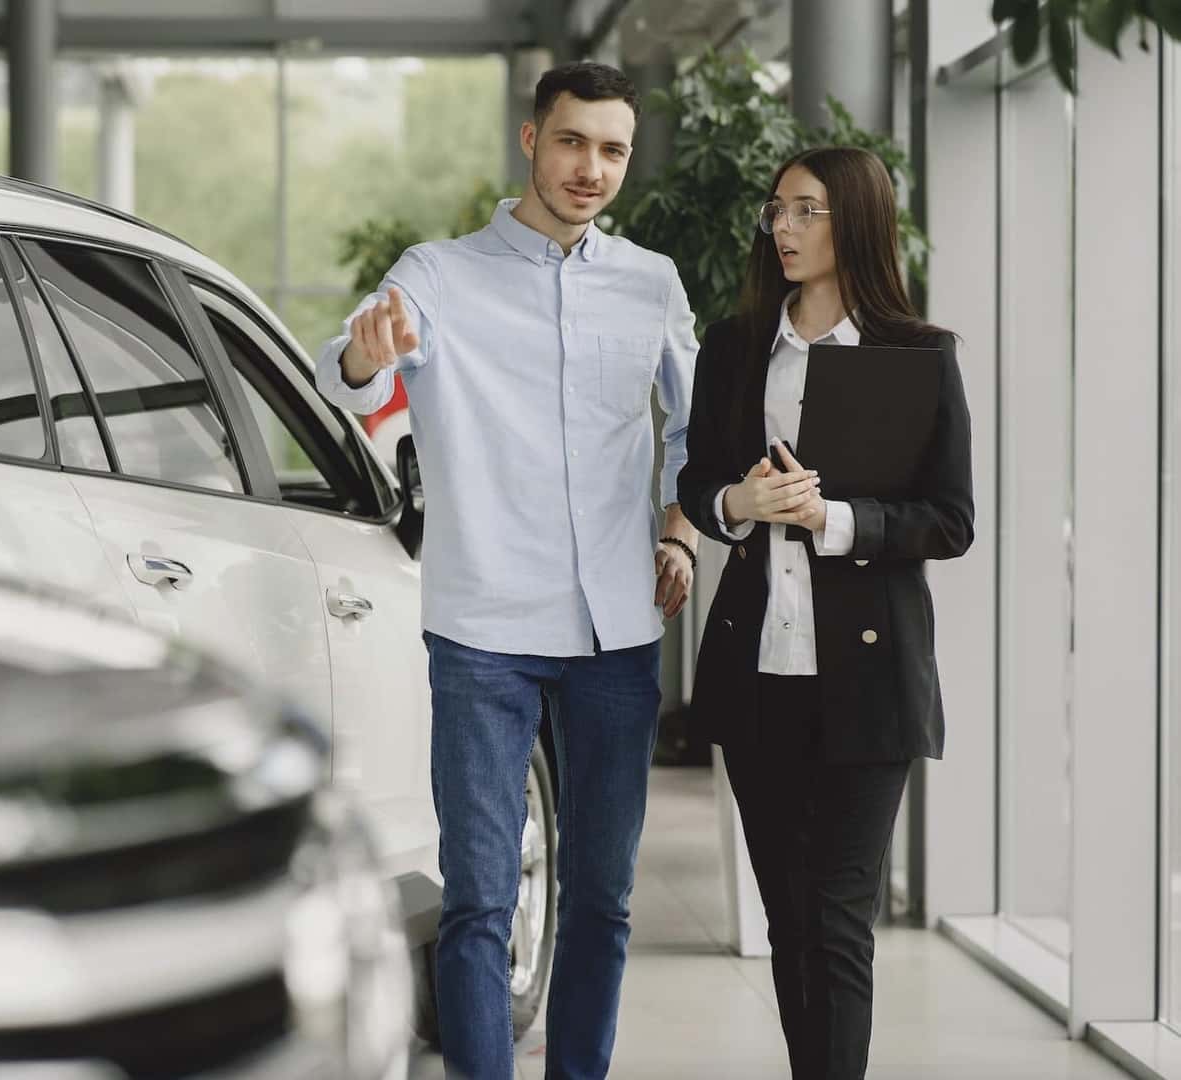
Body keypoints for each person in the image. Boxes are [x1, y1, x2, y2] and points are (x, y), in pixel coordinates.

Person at [315, 61, 699, 1080]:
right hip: (483, 628)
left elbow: (694, 432)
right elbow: (344, 371)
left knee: (602, 897)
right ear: (531, 140)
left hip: (617, 629)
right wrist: (365, 355)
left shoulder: (650, 282)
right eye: (571, 142)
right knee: (481, 898)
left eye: (611, 150)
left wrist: (680, 532)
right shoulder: (437, 274)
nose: (589, 169)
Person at [676, 146, 975, 1080]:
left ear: (856, 219)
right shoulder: (734, 347)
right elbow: (695, 480)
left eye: (806, 209)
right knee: (787, 918)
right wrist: (737, 503)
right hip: (757, 671)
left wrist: (834, 520)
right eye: (776, 209)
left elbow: (950, 519)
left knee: (839, 920)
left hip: (869, 679)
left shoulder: (917, 354)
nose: (784, 226)